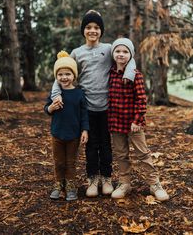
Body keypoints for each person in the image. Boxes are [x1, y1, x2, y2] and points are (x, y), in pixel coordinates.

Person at [51, 10, 136, 197]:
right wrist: (55, 93)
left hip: (108, 107)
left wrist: (129, 75)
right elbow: (61, 71)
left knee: (106, 145)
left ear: (101, 30)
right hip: (87, 108)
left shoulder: (108, 48)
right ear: (83, 30)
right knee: (91, 146)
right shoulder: (77, 52)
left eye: (96, 27)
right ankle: (92, 179)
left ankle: (106, 178)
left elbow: (129, 56)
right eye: (88, 27)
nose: (92, 31)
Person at [108, 38, 169, 201]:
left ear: (131, 55)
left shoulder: (136, 75)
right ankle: (124, 183)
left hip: (134, 124)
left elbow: (141, 100)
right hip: (115, 123)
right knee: (121, 154)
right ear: (113, 53)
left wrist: (136, 120)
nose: (121, 54)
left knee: (143, 154)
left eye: (125, 52)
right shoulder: (110, 74)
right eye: (118, 51)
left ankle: (155, 184)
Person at [44, 51, 89, 201]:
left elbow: (84, 114)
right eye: (60, 74)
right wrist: (51, 108)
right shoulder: (55, 94)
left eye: (68, 74)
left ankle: (70, 185)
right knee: (59, 161)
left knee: (71, 162)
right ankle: (58, 184)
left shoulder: (78, 94)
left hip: (74, 135)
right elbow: (46, 109)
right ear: (56, 77)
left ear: (74, 76)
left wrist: (85, 130)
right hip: (57, 134)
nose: (64, 77)